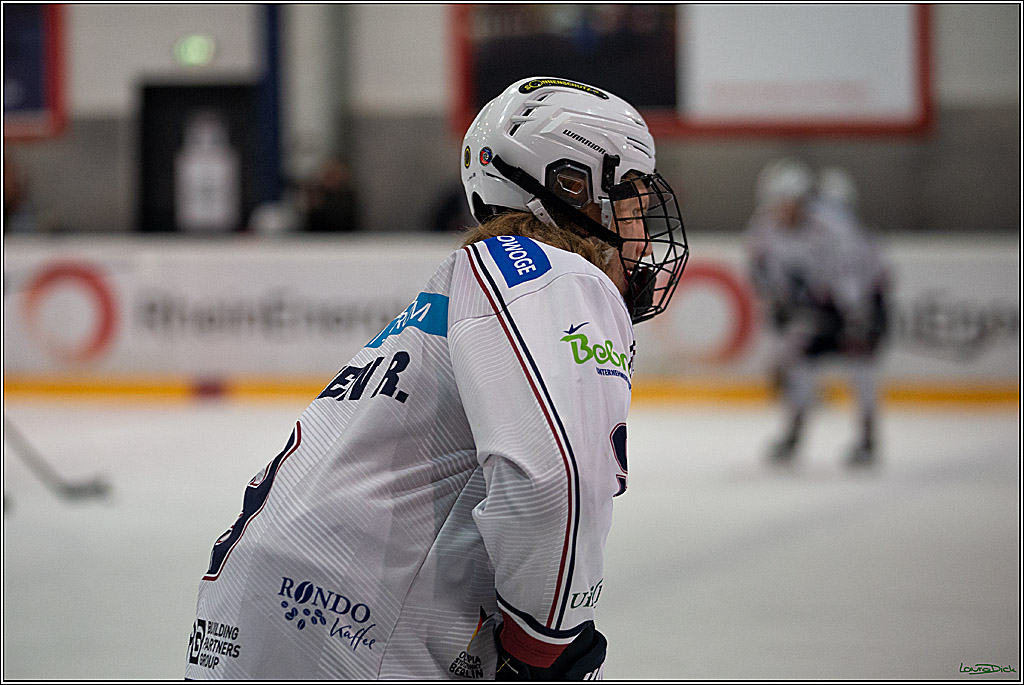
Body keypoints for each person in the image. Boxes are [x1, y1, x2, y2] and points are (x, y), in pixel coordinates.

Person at [185, 76, 689, 680]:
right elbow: (554, 478)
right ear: (573, 187)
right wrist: (544, 645)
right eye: (630, 198)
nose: (642, 226)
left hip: (267, 605)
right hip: (354, 629)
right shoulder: (553, 273)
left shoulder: (469, 283)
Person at [744, 159, 889, 469]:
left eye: (785, 203)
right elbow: (763, 270)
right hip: (816, 304)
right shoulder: (765, 227)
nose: (779, 210)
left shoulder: (833, 227)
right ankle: (794, 432)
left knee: (860, 368)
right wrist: (780, 303)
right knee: (800, 366)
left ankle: (867, 437)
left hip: (854, 303)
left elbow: (852, 273)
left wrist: (855, 316)